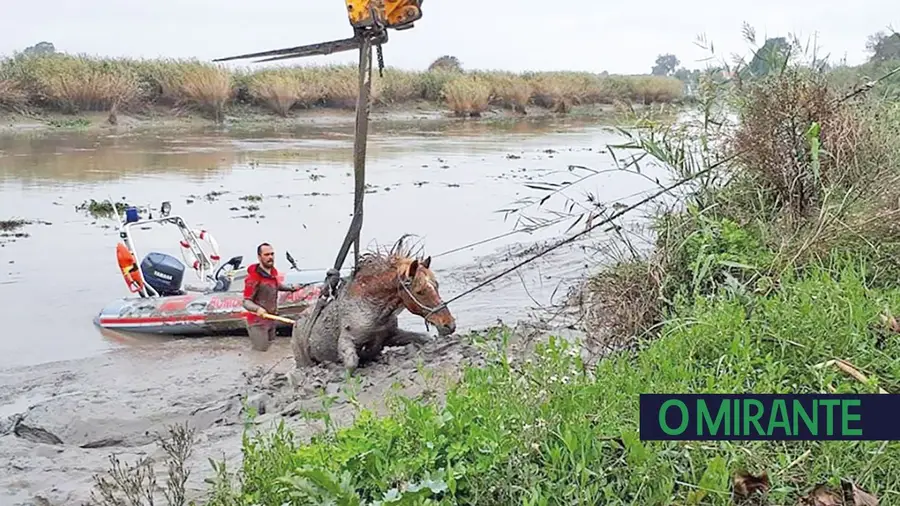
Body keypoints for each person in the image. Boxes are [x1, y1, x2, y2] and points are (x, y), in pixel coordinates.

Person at [242, 242, 300, 351]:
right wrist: (258, 309)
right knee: (260, 352)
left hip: (271, 320)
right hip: (257, 323)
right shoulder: (253, 277)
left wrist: (292, 288)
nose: (270, 257)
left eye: (272, 254)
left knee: (271, 351)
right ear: (259, 257)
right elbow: (246, 301)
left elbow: (275, 285)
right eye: (267, 255)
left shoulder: (272, 274)